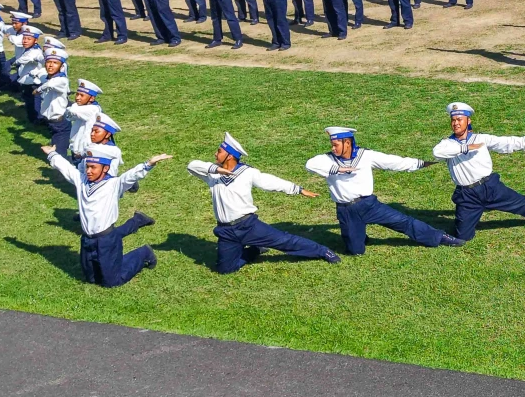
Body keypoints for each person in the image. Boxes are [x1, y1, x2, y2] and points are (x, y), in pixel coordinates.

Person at [187, 133, 340, 273]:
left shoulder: (247, 172)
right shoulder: (212, 175)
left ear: (230, 156)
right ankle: (256, 250)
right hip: (225, 231)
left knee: (285, 241)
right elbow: (192, 165)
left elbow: (271, 182)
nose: (215, 153)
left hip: (248, 226)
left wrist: (297, 189)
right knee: (225, 269)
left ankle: (323, 251)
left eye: (219, 151)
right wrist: (217, 170)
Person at [47, 116, 167, 287]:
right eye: (87, 167)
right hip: (87, 239)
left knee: (112, 281)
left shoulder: (113, 184)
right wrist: (52, 154)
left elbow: (130, 176)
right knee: (91, 279)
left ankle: (143, 254)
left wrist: (148, 165)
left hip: (106, 239)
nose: (88, 171)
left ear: (105, 168)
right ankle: (136, 225)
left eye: (93, 167)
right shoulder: (82, 181)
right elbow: (67, 169)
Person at [307, 126, 464, 255]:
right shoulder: (326, 159)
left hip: (368, 205)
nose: (332, 148)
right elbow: (310, 164)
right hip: (346, 210)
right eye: (332, 144)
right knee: (355, 251)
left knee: (403, 221)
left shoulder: (365, 155)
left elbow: (392, 162)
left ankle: (440, 237)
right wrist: (338, 169)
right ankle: (359, 235)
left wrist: (419, 164)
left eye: (336, 145)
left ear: (347, 143)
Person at [431, 102, 525, 240]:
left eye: (459, 119)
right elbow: (437, 153)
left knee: (523, 204)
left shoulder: (480, 138)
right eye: (453, 120)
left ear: (468, 121)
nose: (456, 123)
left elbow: (506, 142)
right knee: (463, 236)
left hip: (490, 187)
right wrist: (466, 148)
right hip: (467, 195)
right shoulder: (447, 144)